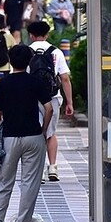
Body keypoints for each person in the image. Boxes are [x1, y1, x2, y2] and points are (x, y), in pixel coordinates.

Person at [0, 44, 53, 222]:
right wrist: (43, 130)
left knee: (3, 180)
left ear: (9, 60)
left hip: (9, 137)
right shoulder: (35, 82)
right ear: (29, 61)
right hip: (34, 136)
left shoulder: (3, 83)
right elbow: (49, 109)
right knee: (30, 181)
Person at [27, 21, 74, 182]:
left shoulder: (26, 51)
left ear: (31, 35)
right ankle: (52, 167)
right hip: (52, 97)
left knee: (35, 133)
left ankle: (38, 170)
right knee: (50, 133)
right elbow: (65, 78)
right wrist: (69, 102)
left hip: (32, 98)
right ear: (47, 34)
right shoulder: (56, 52)